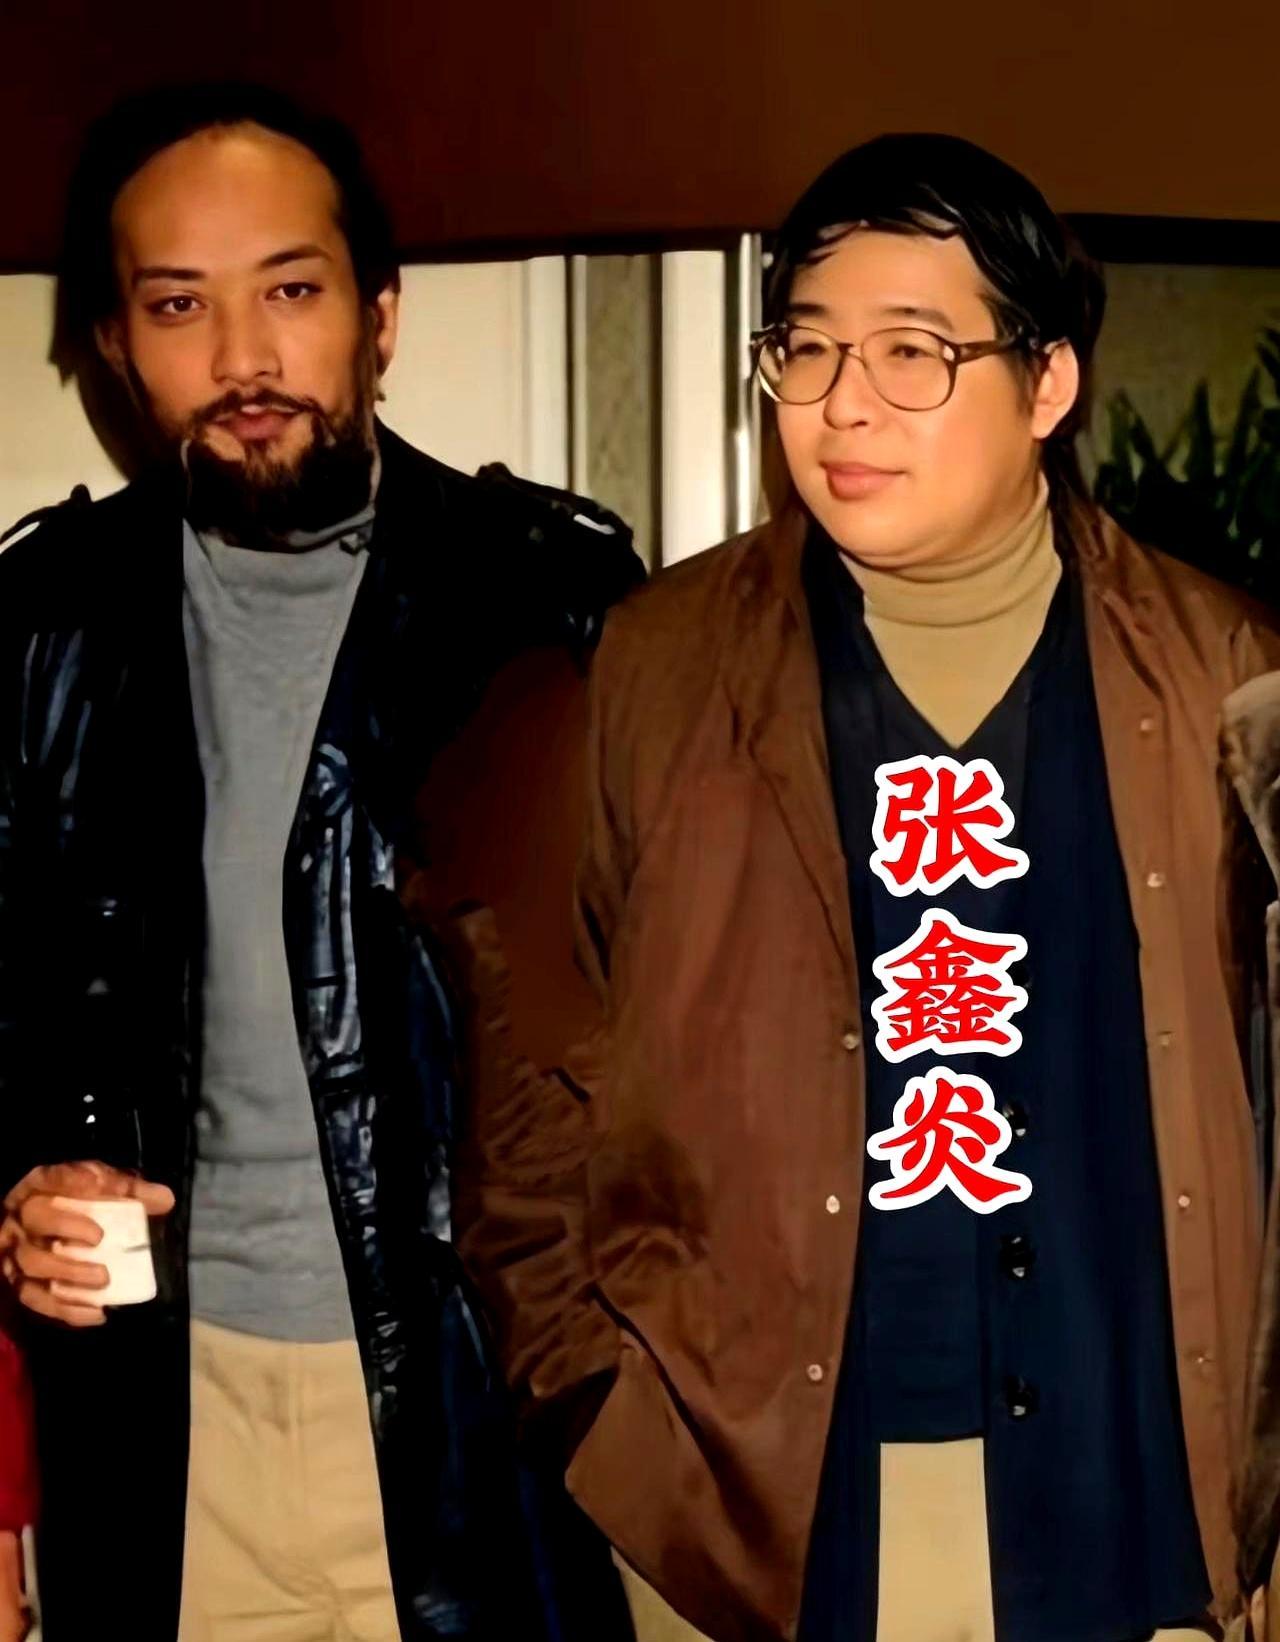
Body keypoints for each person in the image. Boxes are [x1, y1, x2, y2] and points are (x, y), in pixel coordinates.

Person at [457, 132, 1280, 1641]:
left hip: (1132, 1499)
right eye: (809, 348)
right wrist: (598, 1408)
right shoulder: (656, 667)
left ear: (1046, 384)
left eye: (913, 353)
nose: (843, 405)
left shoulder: (1223, 672)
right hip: (755, 1516)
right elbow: (529, 1070)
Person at [0, 82, 640, 1641]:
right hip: (168, 1429)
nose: (243, 360)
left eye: (290, 291)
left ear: (380, 314)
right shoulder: (44, 625)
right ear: (114, 343)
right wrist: (9, 1183)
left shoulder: (549, 603)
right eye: (178, 305)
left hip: (487, 1418)